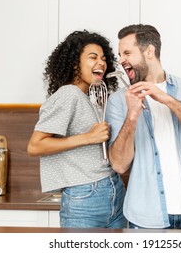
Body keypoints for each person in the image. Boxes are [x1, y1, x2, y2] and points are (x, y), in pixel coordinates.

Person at [105, 24, 181, 229]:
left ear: (149, 51)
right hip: (147, 215)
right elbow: (119, 165)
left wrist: (168, 100)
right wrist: (131, 116)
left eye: (127, 53)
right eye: (120, 54)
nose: (121, 60)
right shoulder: (118, 100)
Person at [27, 30, 126, 228]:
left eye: (104, 58)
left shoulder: (90, 97)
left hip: (114, 189)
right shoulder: (68, 94)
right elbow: (35, 145)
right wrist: (89, 137)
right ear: (75, 64)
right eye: (93, 57)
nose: (102, 62)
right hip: (85, 195)